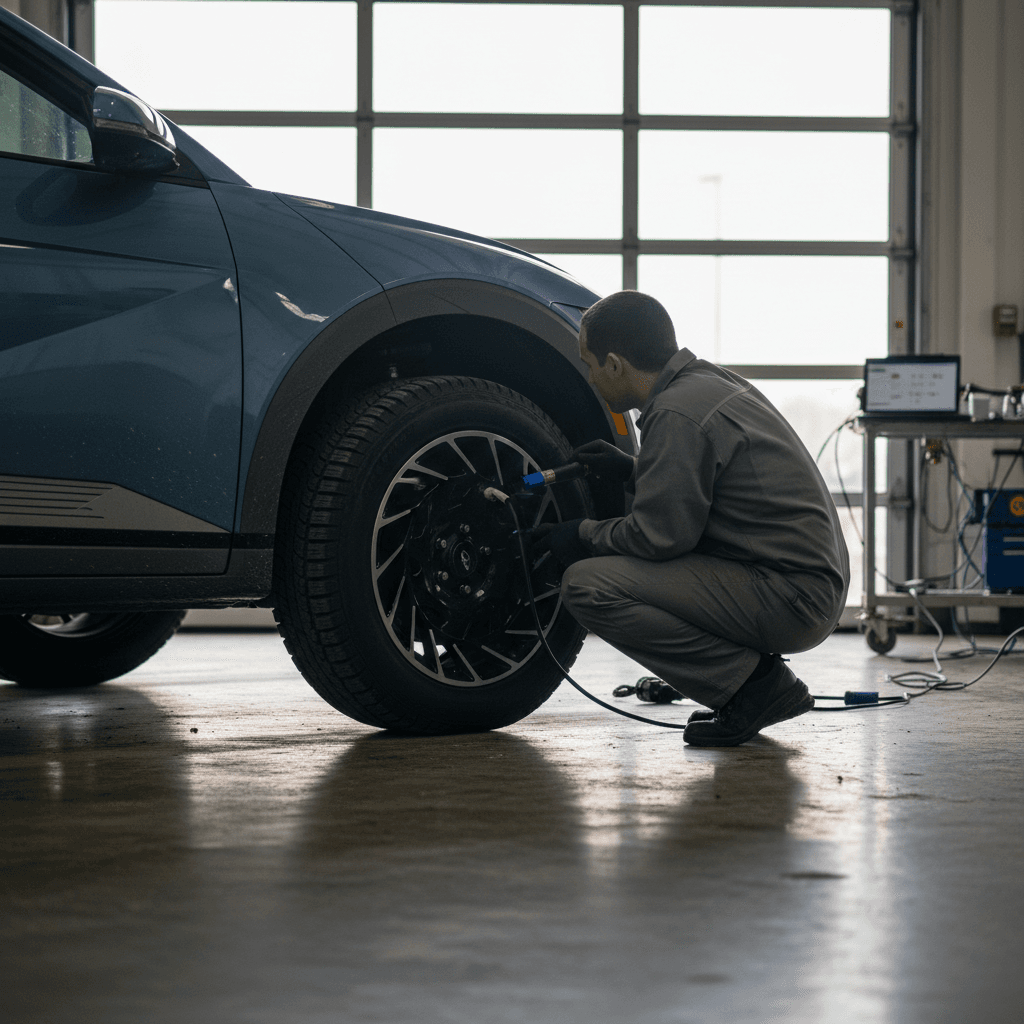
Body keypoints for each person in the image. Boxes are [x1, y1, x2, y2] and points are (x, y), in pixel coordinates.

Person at [533, 291, 850, 747]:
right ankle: (752, 682)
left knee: (587, 585)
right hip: (805, 582)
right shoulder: (706, 383)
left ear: (615, 365)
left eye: (591, 364)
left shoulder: (676, 413)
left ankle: (754, 688)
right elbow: (713, 487)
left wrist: (581, 535)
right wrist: (633, 471)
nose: (590, 377)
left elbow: (658, 538)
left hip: (793, 597)